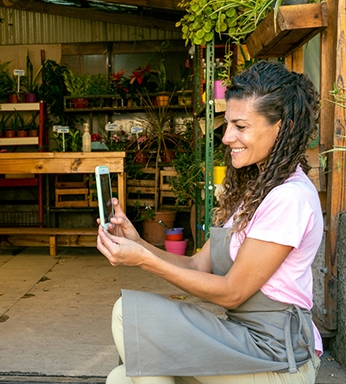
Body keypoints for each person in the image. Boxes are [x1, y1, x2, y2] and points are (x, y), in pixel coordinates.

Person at [96, 61, 323, 384]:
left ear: (282, 127)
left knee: (127, 314)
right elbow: (197, 265)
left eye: (241, 126)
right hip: (240, 340)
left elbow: (232, 293)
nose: (227, 137)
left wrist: (144, 261)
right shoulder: (254, 190)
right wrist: (138, 244)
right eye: (227, 124)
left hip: (276, 357)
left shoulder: (289, 198)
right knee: (121, 378)